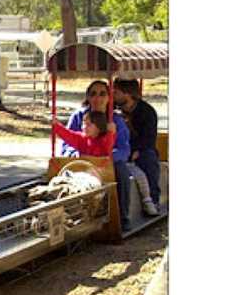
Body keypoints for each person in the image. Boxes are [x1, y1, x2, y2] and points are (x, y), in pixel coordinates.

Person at [61, 80, 132, 231]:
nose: (97, 98)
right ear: (88, 97)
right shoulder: (78, 116)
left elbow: (124, 149)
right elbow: (67, 143)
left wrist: (108, 158)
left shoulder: (116, 120)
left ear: (109, 98)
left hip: (106, 163)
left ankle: (122, 217)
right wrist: (74, 154)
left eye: (102, 94)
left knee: (121, 171)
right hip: (81, 160)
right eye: (93, 94)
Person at [113, 78, 161, 212]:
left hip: (140, 148)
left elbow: (149, 138)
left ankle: (153, 199)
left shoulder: (146, 112)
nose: (113, 95)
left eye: (116, 92)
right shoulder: (112, 108)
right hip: (119, 147)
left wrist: (136, 150)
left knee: (148, 158)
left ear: (127, 94)